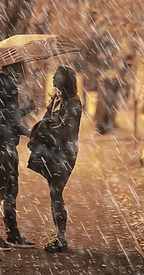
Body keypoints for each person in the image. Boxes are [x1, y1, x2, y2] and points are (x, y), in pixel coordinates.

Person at [0, 63, 35, 251]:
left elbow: (6, 118)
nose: (22, 72)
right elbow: (7, 121)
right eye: (20, 68)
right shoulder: (8, 87)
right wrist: (30, 132)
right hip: (1, 146)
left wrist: (26, 111)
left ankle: (12, 234)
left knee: (10, 190)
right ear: (13, 70)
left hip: (4, 145)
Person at [41, 66, 82, 253]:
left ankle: (61, 239)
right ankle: (59, 237)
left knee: (56, 192)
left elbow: (67, 131)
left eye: (56, 76)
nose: (52, 79)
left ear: (65, 79)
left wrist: (48, 130)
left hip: (67, 153)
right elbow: (45, 121)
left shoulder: (73, 103)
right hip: (53, 151)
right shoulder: (56, 99)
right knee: (53, 192)